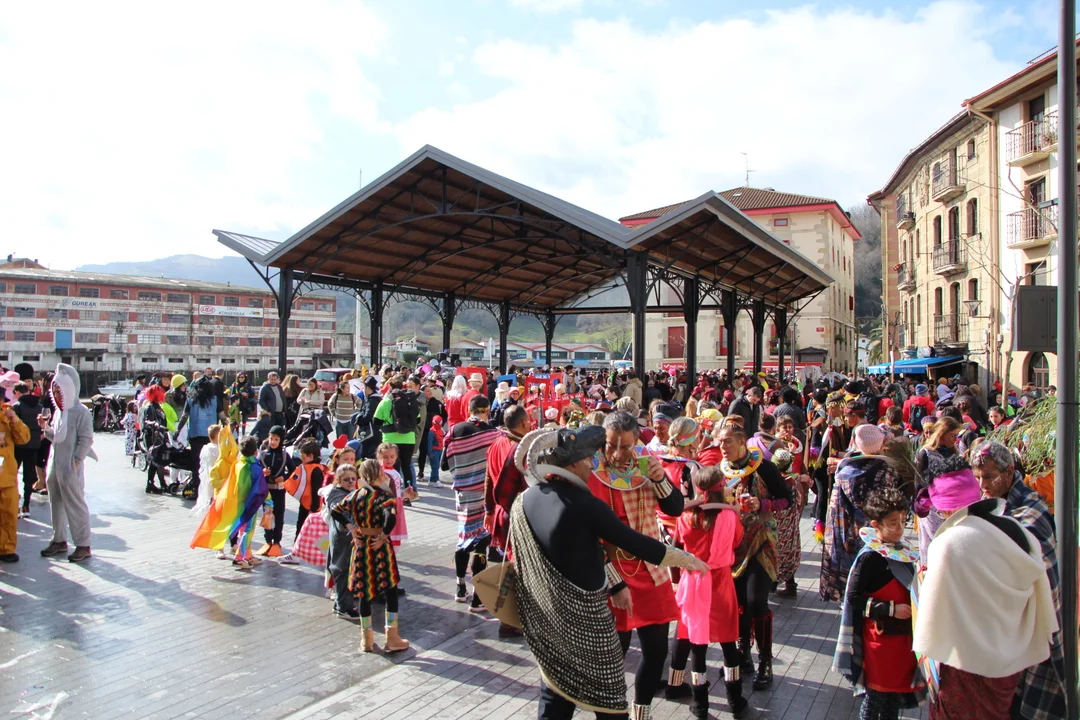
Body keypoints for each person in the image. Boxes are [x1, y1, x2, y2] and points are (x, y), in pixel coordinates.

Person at [510, 425, 708, 719]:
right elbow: (634, 542)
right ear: (572, 464)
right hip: (589, 624)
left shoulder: (523, 501)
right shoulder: (586, 503)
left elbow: (673, 507)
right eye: (587, 459)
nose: (593, 464)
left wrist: (659, 479)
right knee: (609, 704)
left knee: (554, 698)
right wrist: (687, 560)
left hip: (548, 623)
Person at [913, 498, 1057, 720]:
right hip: (1008, 653)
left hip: (962, 658)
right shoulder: (1018, 531)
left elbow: (933, 609)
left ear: (947, 509)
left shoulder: (949, 542)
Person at [589, 411, 685, 717]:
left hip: (651, 570)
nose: (618, 454)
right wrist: (614, 583)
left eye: (626, 446)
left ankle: (641, 712)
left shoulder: (647, 463)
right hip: (612, 572)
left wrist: (660, 479)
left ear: (636, 443)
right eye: (611, 445)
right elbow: (588, 535)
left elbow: (675, 507)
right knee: (613, 654)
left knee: (656, 651)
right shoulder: (591, 469)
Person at [971, 442, 1065, 720]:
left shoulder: (1031, 509)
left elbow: (1040, 568)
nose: (982, 484)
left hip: (1033, 622)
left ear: (1009, 472)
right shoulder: (995, 505)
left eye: (989, 476)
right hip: (1009, 628)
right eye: (978, 477)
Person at [833, 487, 925, 720]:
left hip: (903, 639)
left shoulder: (903, 553)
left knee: (893, 699)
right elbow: (853, 598)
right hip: (880, 642)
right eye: (893, 523)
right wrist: (890, 609)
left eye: (903, 521)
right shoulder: (869, 557)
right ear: (876, 524)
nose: (900, 528)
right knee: (876, 697)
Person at [665, 465, 748, 719]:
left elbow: (675, 549)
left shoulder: (686, 517)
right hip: (721, 582)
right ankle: (735, 700)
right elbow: (739, 546)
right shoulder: (730, 517)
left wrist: (677, 579)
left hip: (693, 583)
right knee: (728, 643)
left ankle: (700, 704)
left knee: (697, 645)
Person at [716, 420, 792, 690]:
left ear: (741, 442)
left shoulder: (765, 468)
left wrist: (763, 503)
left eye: (727, 441)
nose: (722, 446)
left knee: (756, 600)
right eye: (719, 442)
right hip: (732, 545)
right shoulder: (721, 471)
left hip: (761, 541)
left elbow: (787, 499)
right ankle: (743, 652)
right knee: (738, 602)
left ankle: (765, 662)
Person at [331, 459, 409, 653]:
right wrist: (383, 536)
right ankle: (392, 636)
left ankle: (366, 639)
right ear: (378, 474)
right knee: (390, 589)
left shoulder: (356, 495)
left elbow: (336, 511)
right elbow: (390, 518)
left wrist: (352, 528)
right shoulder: (384, 497)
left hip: (361, 546)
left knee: (363, 591)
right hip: (379, 547)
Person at [820, 424, 902, 602]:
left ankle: (847, 597)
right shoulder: (887, 471)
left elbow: (835, 508)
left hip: (848, 529)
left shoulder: (845, 472)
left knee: (853, 568)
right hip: (877, 527)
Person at [443, 393, 500, 611]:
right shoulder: (493, 434)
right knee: (481, 542)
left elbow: (444, 465)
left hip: (463, 494)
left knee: (463, 538)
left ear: (469, 409)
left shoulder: (454, 431)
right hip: (484, 494)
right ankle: (477, 597)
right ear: (487, 410)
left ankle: (460, 587)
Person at [37, 364, 95, 563]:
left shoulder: (81, 412)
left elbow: (86, 439)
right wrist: (45, 428)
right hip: (56, 464)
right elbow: (56, 437)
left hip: (70, 466)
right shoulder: (59, 412)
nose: (56, 394)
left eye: (59, 390)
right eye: (54, 391)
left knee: (75, 504)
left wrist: (76, 461)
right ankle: (59, 539)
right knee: (56, 503)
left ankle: (83, 544)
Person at [481, 404, 530, 638]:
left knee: (513, 565)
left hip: (502, 512)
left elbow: (488, 479)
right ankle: (510, 621)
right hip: (515, 513)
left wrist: (489, 509)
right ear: (523, 423)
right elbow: (525, 486)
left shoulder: (496, 443)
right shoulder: (519, 450)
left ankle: (512, 619)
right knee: (518, 568)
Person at [913, 416, 965, 563]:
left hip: (953, 508)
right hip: (932, 509)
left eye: (956, 435)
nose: (955, 439)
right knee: (934, 547)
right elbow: (919, 484)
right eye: (952, 435)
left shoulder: (954, 453)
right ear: (941, 434)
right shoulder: (926, 454)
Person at [280, 437, 328, 562]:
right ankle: (297, 553)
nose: (301, 458)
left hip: (310, 506)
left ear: (311, 456)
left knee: (306, 530)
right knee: (310, 530)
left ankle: (296, 554)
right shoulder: (314, 467)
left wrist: (314, 509)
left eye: (303, 456)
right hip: (308, 505)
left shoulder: (315, 470)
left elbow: (316, 491)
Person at [325, 463, 360, 619]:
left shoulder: (351, 492)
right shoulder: (336, 494)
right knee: (342, 570)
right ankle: (343, 607)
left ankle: (341, 603)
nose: (351, 481)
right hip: (341, 538)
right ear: (338, 480)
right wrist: (351, 526)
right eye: (347, 479)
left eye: (353, 478)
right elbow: (337, 511)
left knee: (347, 570)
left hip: (348, 538)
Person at [176, 375, 220, 501]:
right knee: (212, 463)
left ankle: (196, 489)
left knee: (197, 464)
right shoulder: (215, 400)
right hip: (211, 436)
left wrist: (177, 431)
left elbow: (184, 416)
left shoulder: (191, 399)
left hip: (195, 435)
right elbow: (222, 416)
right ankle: (211, 491)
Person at [374, 375, 420, 493]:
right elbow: (418, 419)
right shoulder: (410, 402)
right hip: (408, 439)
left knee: (392, 467)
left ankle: (393, 491)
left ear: (390, 386)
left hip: (390, 440)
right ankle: (409, 492)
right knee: (406, 467)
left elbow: (376, 421)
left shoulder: (385, 402)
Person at [0, 385, 30, 562]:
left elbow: (24, 438)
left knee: (9, 515)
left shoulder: (8, 418)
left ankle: (7, 549)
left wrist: (14, 420)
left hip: (7, 476)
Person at [256, 426, 294, 557]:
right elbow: (256, 470)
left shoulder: (284, 455)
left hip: (279, 491)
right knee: (267, 515)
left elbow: (293, 470)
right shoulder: (263, 454)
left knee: (279, 516)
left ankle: (277, 542)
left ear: (281, 440)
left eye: (276, 439)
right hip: (267, 492)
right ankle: (268, 541)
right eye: (271, 438)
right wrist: (262, 472)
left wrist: (284, 477)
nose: (273, 442)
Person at [11, 382, 43, 519]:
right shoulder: (39, 406)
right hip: (34, 445)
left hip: (18, 445)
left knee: (12, 474)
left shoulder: (17, 406)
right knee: (29, 476)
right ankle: (26, 505)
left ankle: (15, 504)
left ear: (17, 392)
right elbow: (43, 425)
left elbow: (13, 427)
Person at [189, 424, 223, 521]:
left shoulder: (206, 447)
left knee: (212, 498)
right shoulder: (217, 449)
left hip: (208, 477)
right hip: (217, 478)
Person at [427, 415, 445, 487]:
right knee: (435, 466)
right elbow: (429, 443)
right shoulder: (432, 431)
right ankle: (435, 480)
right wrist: (430, 453)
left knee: (436, 466)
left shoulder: (441, 430)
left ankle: (432, 480)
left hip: (440, 450)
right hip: (434, 451)